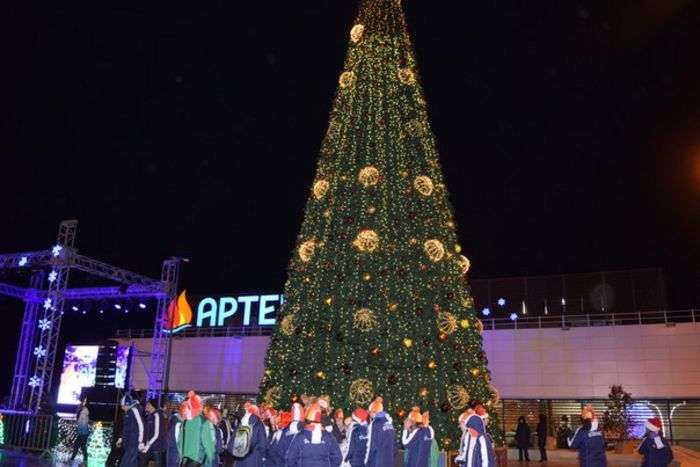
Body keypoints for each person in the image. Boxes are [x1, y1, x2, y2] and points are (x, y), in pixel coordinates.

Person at [177, 391, 216, 467]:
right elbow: (209, 445)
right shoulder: (205, 422)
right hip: (199, 461)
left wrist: (182, 457)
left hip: (185, 461)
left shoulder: (185, 422)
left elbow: (180, 443)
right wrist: (210, 459)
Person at [233, 400, 269, 467]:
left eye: (247, 407)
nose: (246, 408)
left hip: (240, 459)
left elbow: (232, 442)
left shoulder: (241, 423)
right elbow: (263, 445)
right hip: (253, 460)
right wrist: (263, 456)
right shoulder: (258, 424)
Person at [364, 397, 397, 467]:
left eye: (370, 412)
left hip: (377, 461)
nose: (369, 415)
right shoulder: (389, 423)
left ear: (373, 411)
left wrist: (367, 462)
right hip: (389, 461)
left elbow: (371, 446)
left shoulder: (375, 423)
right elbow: (394, 445)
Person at [117, 393, 145, 467]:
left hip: (134, 442)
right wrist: (120, 439)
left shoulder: (134, 410)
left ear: (127, 404)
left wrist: (140, 441)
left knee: (125, 463)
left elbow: (141, 425)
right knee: (132, 463)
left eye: (123, 406)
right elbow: (125, 427)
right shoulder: (127, 412)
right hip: (128, 442)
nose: (122, 408)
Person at [139, 399, 166, 467]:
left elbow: (157, 434)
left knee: (157, 464)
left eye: (148, 404)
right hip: (149, 446)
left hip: (157, 446)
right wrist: (143, 443)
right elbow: (147, 432)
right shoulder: (149, 416)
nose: (146, 406)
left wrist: (148, 445)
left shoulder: (157, 415)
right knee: (142, 463)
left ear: (152, 406)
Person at [71, 396, 90, 465]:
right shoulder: (81, 409)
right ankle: (84, 459)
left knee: (80, 445)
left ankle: (74, 459)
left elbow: (85, 421)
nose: (84, 402)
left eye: (85, 401)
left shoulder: (85, 410)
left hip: (84, 431)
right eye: (84, 401)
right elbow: (80, 420)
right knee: (81, 446)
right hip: (82, 431)